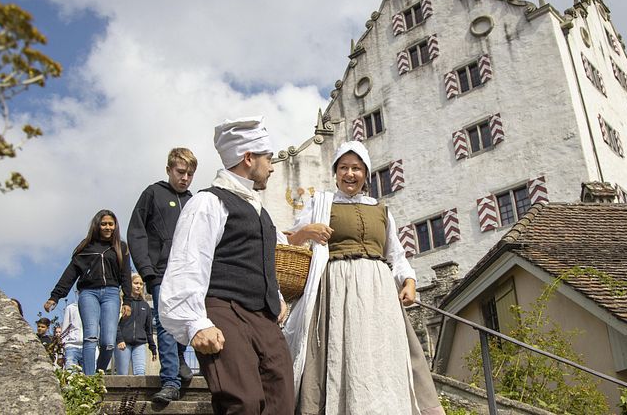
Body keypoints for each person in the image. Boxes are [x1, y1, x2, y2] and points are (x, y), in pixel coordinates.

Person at [283, 141, 445, 415]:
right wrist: (307, 231)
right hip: (336, 289)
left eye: (356, 168)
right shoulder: (321, 204)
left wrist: (409, 281)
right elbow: (289, 242)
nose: (350, 174)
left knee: (382, 351)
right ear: (335, 172)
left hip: (378, 290)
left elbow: (395, 252)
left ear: (365, 174)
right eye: (344, 167)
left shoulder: (380, 210)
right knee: (341, 351)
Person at [159, 116, 293, 413]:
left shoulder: (260, 211)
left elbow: (260, 262)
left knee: (281, 401)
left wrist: (277, 297)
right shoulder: (208, 202)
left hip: (264, 317)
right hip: (224, 310)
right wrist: (195, 324)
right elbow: (188, 262)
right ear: (248, 158)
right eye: (268, 158)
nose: (271, 166)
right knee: (242, 402)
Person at [128, 148, 197, 397]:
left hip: (187, 274)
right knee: (166, 324)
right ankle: (170, 382)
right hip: (159, 272)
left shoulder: (194, 201)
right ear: (169, 170)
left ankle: (178, 360)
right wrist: (145, 269)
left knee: (187, 322)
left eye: (190, 174)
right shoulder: (153, 194)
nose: (185, 178)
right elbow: (136, 231)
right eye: (180, 172)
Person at [44, 209, 132, 375]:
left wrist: (127, 300)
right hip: (88, 293)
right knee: (90, 337)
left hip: (111, 294)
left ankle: (98, 372)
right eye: (104, 224)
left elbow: (126, 275)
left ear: (115, 226)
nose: (107, 227)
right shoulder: (85, 247)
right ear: (97, 226)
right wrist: (55, 296)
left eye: (111, 224)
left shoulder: (121, 247)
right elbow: (70, 274)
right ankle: (89, 378)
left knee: (108, 343)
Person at [115, 273, 157, 375]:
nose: (138, 286)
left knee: (140, 373)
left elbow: (149, 328)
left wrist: (153, 348)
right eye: (136, 283)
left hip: (140, 343)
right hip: (124, 343)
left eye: (141, 284)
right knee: (122, 374)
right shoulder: (121, 303)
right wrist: (119, 339)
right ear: (130, 284)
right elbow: (115, 323)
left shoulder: (145, 306)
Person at [61, 300, 84, 370]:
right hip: (72, 345)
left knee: (89, 375)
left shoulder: (96, 307)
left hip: (89, 345)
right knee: (70, 373)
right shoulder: (71, 308)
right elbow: (65, 327)